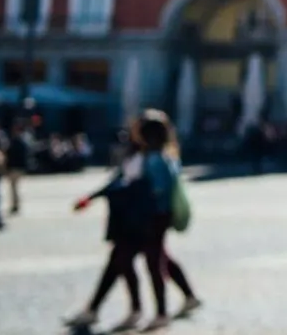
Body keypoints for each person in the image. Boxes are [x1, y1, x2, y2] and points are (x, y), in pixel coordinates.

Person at [68, 110, 201, 331]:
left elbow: (156, 192)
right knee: (129, 261)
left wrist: (128, 193)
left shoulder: (157, 160)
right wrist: (92, 197)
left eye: (138, 129)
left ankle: (150, 312)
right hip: (135, 219)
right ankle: (124, 310)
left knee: (145, 262)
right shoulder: (143, 156)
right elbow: (119, 181)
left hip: (146, 220)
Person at [5, 121, 33, 212]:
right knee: (14, 188)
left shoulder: (14, 142)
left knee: (14, 188)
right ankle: (16, 204)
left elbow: (9, 155)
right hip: (19, 167)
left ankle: (15, 205)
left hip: (14, 168)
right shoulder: (22, 142)